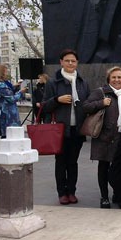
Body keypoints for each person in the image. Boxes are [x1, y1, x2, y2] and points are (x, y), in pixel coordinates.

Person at [42, 49, 90, 205]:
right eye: (67, 60)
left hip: (77, 129)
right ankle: (62, 192)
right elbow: (44, 106)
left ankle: (71, 191)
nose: (70, 63)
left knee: (73, 162)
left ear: (77, 63)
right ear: (61, 62)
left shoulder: (83, 82)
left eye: (73, 61)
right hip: (60, 130)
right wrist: (57, 99)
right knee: (61, 162)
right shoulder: (52, 82)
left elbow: (87, 104)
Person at [82, 67, 121, 208]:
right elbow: (86, 106)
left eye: (119, 77)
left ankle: (118, 193)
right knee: (104, 167)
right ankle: (104, 196)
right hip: (105, 138)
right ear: (109, 79)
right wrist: (101, 103)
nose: (117, 80)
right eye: (114, 77)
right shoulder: (100, 93)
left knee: (119, 169)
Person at [0, 64, 27, 137]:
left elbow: (7, 94)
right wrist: (20, 91)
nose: (6, 73)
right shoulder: (1, 86)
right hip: (7, 114)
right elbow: (12, 99)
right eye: (5, 71)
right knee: (10, 136)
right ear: (1, 72)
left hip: (3, 112)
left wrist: (14, 87)